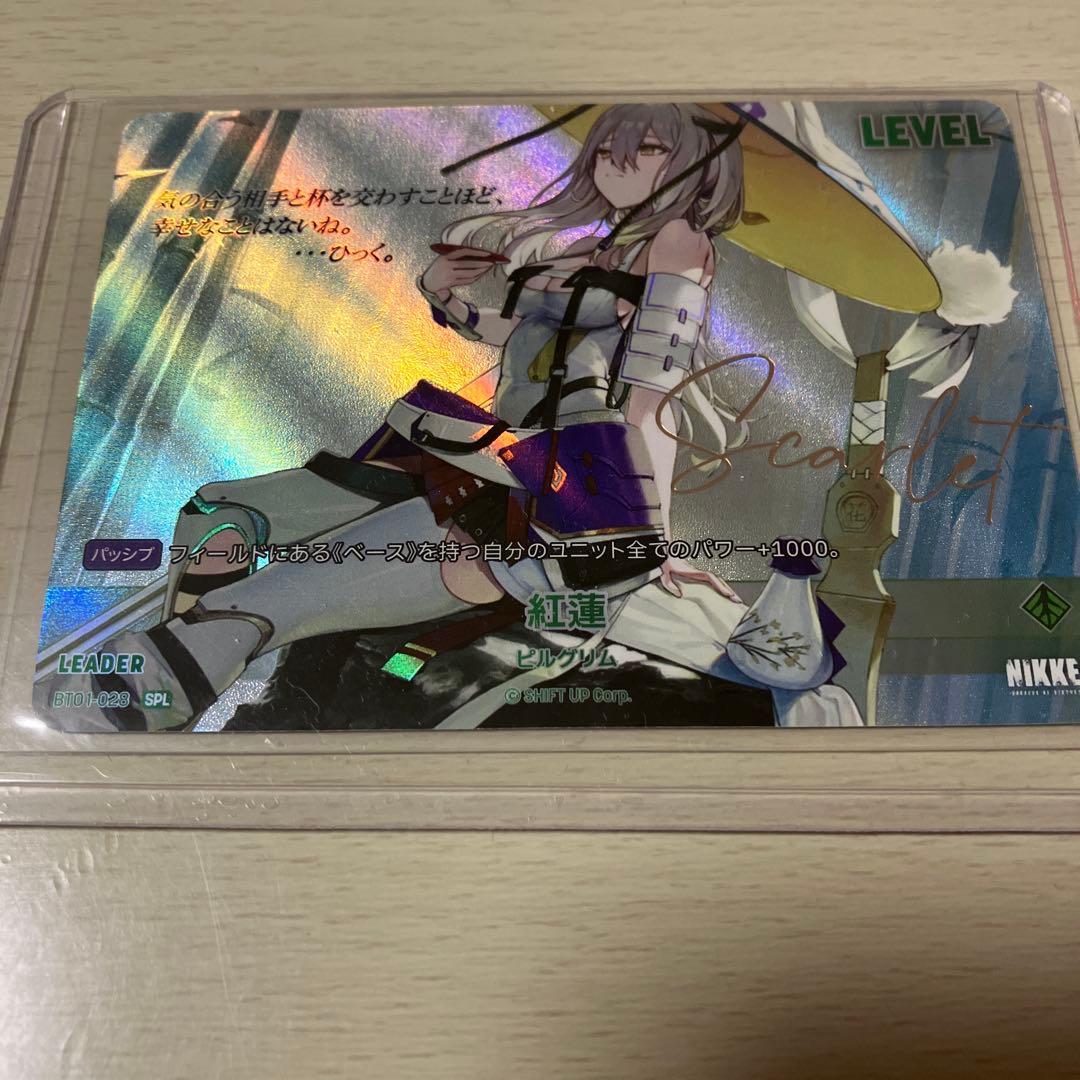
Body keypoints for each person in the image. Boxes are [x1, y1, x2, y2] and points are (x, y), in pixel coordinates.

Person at [43, 103, 861, 731]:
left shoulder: (678, 250)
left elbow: (653, 396)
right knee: (234, 512)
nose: (617, 158)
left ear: (699, 165)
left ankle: (128, 701)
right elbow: (521, 343)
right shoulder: (596, 246)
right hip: (495, 454)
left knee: (289, 591)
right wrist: (449, 293)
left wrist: (647, 535)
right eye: (613, 141)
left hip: (573, 487)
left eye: (646, 146)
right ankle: (146, 690)